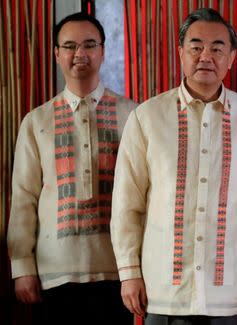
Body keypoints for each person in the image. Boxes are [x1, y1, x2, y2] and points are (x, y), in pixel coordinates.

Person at [110, 7, 237, 325]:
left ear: (231, 57)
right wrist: (129, 272)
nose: (206, 56)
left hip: (227, 292)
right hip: (163, 292)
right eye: (196, 46)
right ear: (180, 53)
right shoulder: (146, 118)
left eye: (217, 48)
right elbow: (126, 206)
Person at [7, 12, 137, 325]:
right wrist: (22, 266)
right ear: (57, 54)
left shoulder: (133, 115)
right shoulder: (36, 121)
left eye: (89, 45)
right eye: (69, 46)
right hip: (55, 272)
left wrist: (138, 267)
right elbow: (24, 198)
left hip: (117, 271)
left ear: (103, 51)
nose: (80, 53)